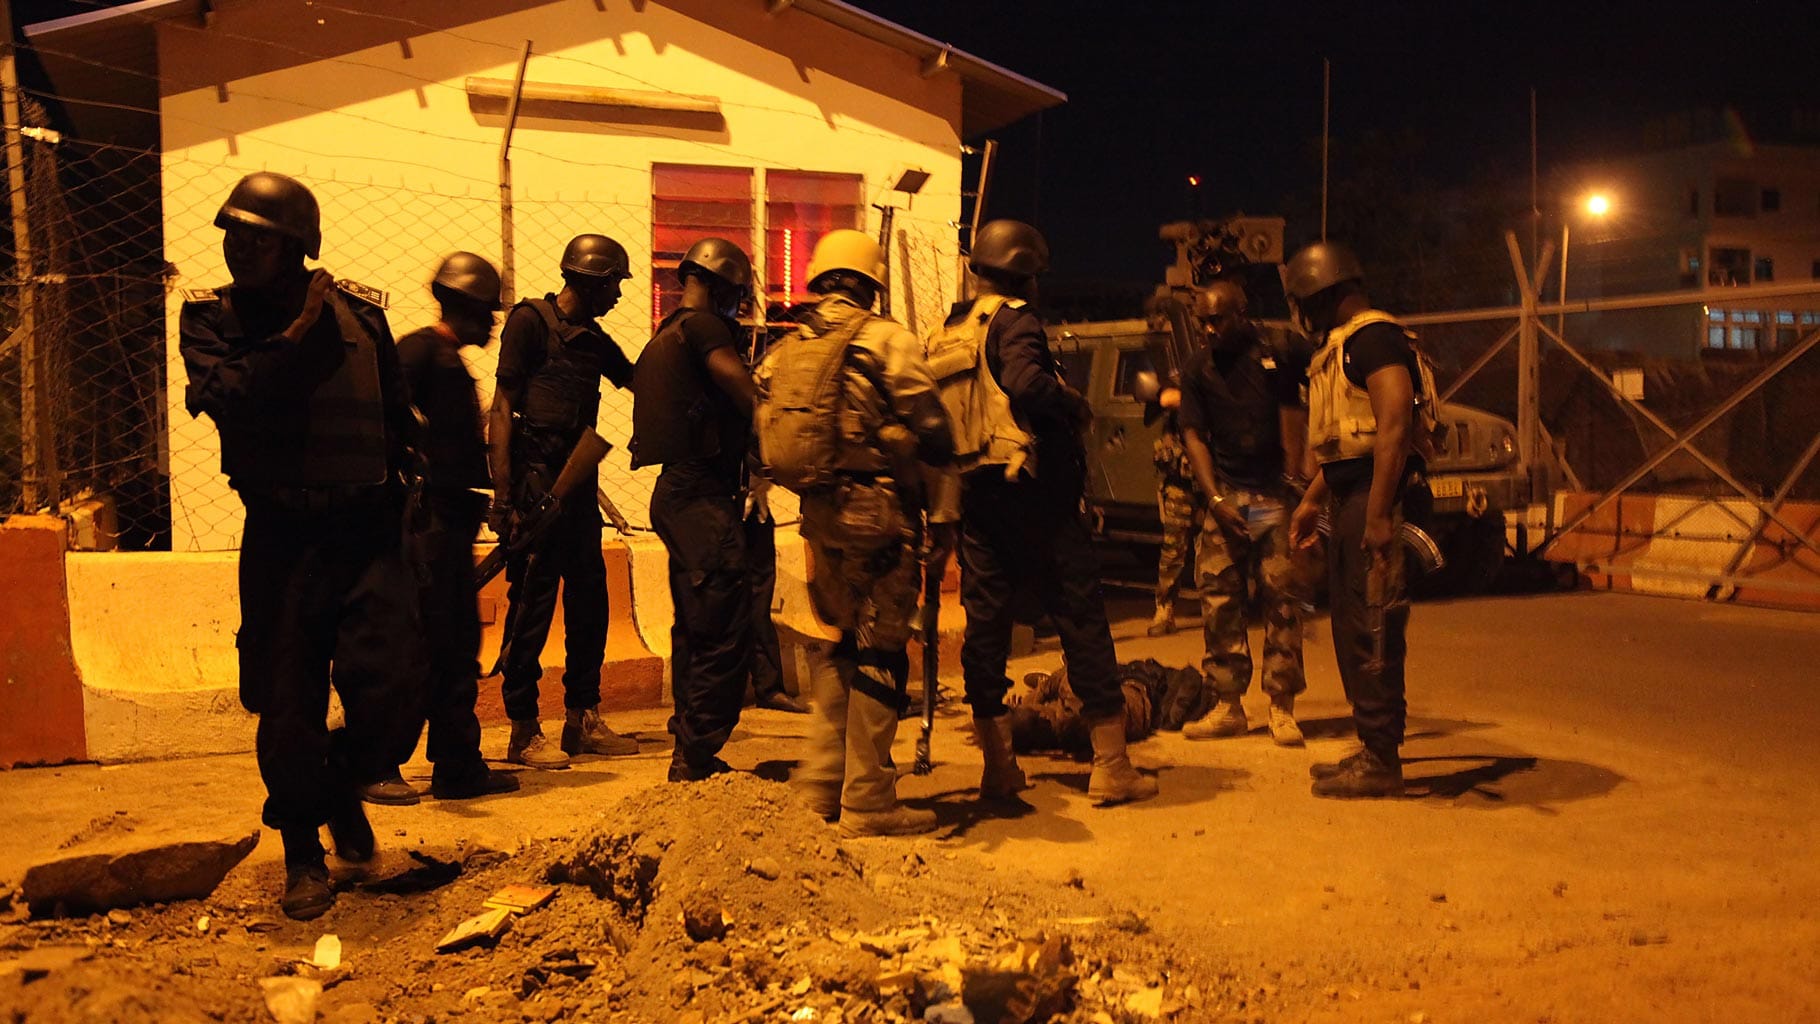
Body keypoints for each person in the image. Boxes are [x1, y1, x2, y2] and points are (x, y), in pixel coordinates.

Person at [180, 172, 424, 919]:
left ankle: (336, 789)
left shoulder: (360, 317)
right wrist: (294, 333)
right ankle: (303, 855)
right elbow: (231, 395)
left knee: (395, 696)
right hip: (283, 535)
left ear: (297, 245)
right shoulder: (211, 319)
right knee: (288, 705)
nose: (240, 247)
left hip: (366, 528)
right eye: (233, 232)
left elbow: (395, 420)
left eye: (259, 236)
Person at [928, 219, 1157, 807]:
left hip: (980, 498)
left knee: (986, 632)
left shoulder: (952, 328)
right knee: (1081, 620)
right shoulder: (1016, 321)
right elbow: (1028, 385)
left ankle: (999, 771)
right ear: (1027, 272)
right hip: (1037, 499)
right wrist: (1072, 402)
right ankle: (1111, 766)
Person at [755, 229, 954, 837]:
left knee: (840, 642)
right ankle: (868, 801)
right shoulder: (886, 339)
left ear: (820, 281)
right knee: (882, 650)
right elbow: (932, 427)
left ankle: (819, 787)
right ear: (869, 283)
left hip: (817, 514)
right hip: (878, 516)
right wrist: (941, 506)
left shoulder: (789, 347)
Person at [1285, 242, 1435, 798]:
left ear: (1325, 295)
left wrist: (1376, 514)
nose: (1303, 315)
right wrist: (1311, 499)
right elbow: (1353, 445)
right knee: (1354, 624)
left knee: (1374, 626)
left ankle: (1382, 760)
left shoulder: (1373, 337)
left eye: (1305, 302)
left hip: (1381, 499)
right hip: (1354, 495)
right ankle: (1373, 746)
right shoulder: (1345, 345)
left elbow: (1393, 425)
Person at [487, 234, 642, 770]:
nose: (619, 296)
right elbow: (503, 407)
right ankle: (524, 729)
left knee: (589, 603)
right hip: (534, 483)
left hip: (576, 488)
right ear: (590, 282)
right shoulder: (530, 323)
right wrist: (503, 496)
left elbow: (640, 380)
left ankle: (583, 717)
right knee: (531, 605)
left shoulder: (594, 342)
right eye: (614, 285)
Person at [629, 238, 759, 783]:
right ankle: (695, 753)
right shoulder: (703, 326)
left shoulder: (666, 331)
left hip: (676, 494)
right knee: (724, 627)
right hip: (703, 496)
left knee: (694, 623)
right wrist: (772, 420)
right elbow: (736, 383)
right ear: (723, 284)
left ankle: (691, 742)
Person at [396, 253, 521, 800]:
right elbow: (389, 422)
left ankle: (457, 764)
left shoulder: (444, 357)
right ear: (466, 307)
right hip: (430, 526)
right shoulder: (421, 351)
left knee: (455, 644)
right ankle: (379, 760)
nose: (493, 322)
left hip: (450, 525)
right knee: (427, 645)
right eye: (486, 311)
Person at [1174, 280, 1311, 747]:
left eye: (1218, 319)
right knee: (1219, 602)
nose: (1210, 329)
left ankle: (1281, 708)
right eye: (1204, 322)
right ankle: (1229, 706)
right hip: (1228, 497)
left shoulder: (1277, 351)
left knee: (1281, 599)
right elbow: (1193, 434)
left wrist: (1295, 481)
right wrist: (1214, 499)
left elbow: (1294, 408)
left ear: (1242, 312)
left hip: (1271, 494)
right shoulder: (1198, 369)